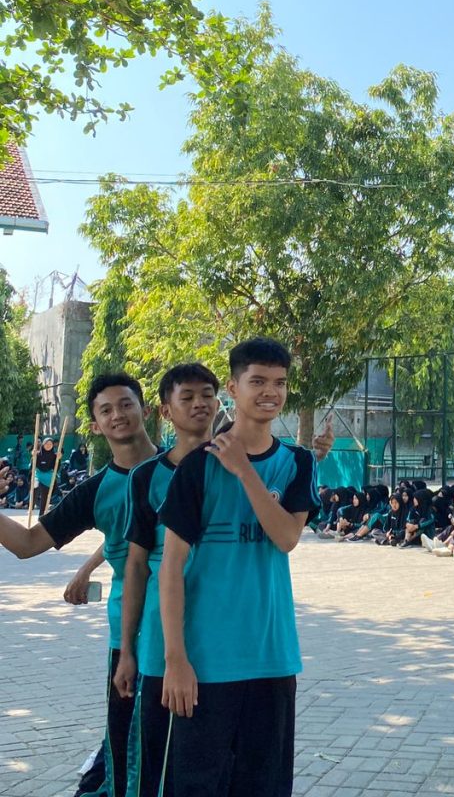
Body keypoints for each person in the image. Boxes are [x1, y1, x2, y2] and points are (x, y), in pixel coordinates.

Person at [159, 338, 321, 797]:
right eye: (258, 381)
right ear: (233, 387)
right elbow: (170, 568)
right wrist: (176, 659)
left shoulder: (297, 463)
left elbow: (286, 538)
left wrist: (246, 471)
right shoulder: (197, 468)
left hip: (272, 659)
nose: (270, 392)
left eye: (279, 383)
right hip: (206, 664)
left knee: (264, 786)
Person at [0, 372, 159, 797]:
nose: (117, 415)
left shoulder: (186, 470)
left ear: (146, 410)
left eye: (125, 404)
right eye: (106, 410)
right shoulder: (95, 491)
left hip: (195, 632)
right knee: (127, 751)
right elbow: (27, 544)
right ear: (95, 425)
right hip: (130, 638)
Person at [115, 363, 220, 797]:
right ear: (165, 410)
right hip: (161, 645)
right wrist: (127, 651)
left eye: (208, 394)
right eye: (187, 396)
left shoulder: (237, 467)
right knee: (156, 763)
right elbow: (136, 567)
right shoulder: (146, 478)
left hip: (225, 641)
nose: (200, 404)